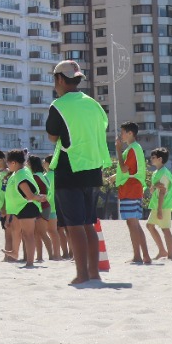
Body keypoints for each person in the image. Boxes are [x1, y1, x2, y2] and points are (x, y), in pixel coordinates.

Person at [46, 60, 111, 286]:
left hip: (70, 167)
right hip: (94, 168)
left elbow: (53, 136)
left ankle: (82, 274)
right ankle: (94, 273)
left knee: (74, 225)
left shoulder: (59, 105)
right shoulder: (93, 104)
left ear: (60, 79)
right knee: (88, 223)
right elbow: (102, 126)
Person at [112, 122, 151, 265]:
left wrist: (118, 150)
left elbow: (124, 169)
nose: (120, 135)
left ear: (130, 133)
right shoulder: (135, 148)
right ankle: (143, 255)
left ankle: (138, 256)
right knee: (134, 223)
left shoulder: (132, 149)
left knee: (132, 223)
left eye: (122, 132)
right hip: (133, 187)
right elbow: (128, 170)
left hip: (131, 189)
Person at [1, 148, 47, 268]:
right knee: (17, 232)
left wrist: (38, 197)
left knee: (28, 235)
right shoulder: (19, 172)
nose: (7, 165)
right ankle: (15, 252)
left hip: (27, 207)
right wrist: (9, 215)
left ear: (14, 163)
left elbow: (29, 195)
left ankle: (30, 262)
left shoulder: (21, 174)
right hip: (18, 208)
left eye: (8, 163)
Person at [146, 147, 172, 261]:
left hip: (163, 205)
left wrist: (159, 209)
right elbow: (153, 189)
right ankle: (162, 251)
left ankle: (171, 255)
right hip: (156, 205)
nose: (151, 159)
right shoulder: (156, 172)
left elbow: (163, 192)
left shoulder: (164, 173)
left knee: (165, 229)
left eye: (153, 157)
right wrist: (153, 187)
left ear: (160, 159)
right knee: (149, 226)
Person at [29, 154, 61, 261]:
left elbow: (41, 192)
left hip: (42, 206)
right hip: (49, 206)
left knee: (42, 232)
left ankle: (51, 255)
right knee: (41, 232)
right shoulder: (43, 175)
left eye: (28, 163)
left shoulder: (37, 176)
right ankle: (42, 256)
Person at [0, 151, 18, 263]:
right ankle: (8, 256)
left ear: (1, 160)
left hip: (7, 208)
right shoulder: (2, 173)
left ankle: (10, 256)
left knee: (9, 233)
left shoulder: (7, 174)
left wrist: (4, 208)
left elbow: (7, 192)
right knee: (7, 233)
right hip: (4, 208)